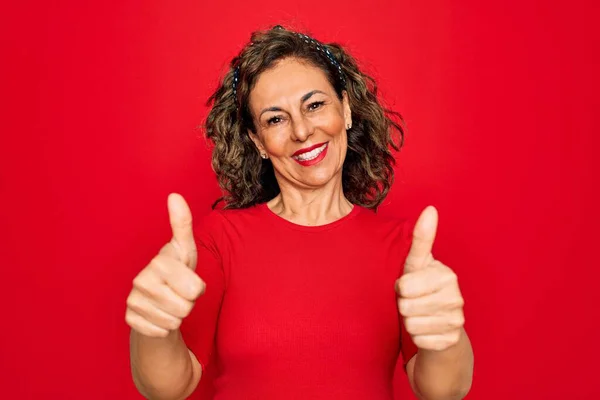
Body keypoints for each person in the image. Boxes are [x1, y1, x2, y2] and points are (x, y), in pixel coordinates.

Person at [126, 25, 474, 400]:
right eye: (275, 119)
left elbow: (444, 391)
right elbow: (166, 388)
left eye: (315, 105)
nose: (302, 131)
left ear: (345, 108)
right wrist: (153, 330)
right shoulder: (217, 240)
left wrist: (445, 338)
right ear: (258, 142)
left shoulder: (405, 249)